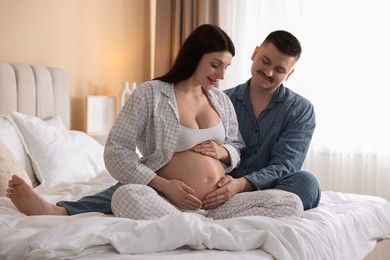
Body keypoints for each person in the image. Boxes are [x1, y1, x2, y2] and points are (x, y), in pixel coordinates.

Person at [6, 24, 303, 220]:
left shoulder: (221, 100)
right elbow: (116, 151)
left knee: (291, 203)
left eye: (225, 68)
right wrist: (165, 186)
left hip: (219, 206)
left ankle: (195, 228)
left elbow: (237, 145)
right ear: (194, 56)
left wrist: (225, 153)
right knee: (125, 195)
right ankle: (57, 212)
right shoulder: (151, 94)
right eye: (215, 65)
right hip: (167, 201)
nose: (221, 76)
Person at [218, 30, 321, 211]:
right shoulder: (222, 100)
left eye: (279, 70)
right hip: (223, 185)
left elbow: (286, 165)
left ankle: (245, 210)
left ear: (289, 74)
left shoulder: (301, 110)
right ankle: (255, 211)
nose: (268, 72)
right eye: (265, 61)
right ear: (255, 53)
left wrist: (242, 185)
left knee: (307, 183)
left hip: (271, 189)